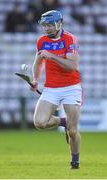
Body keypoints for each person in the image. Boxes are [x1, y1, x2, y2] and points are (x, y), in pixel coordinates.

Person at [30, 10, 83, 169]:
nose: (46, 28)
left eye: (49, 25)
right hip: (51, 88)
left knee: (73, 132)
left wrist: (51, 56)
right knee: (39, 122)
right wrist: (35, 80)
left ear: (59, 23)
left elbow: (72, 66)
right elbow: (38, 62)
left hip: (71, 88)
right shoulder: (41, 41)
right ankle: (63, 122)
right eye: (44, 25)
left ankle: (75, 162)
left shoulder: (70, 39)